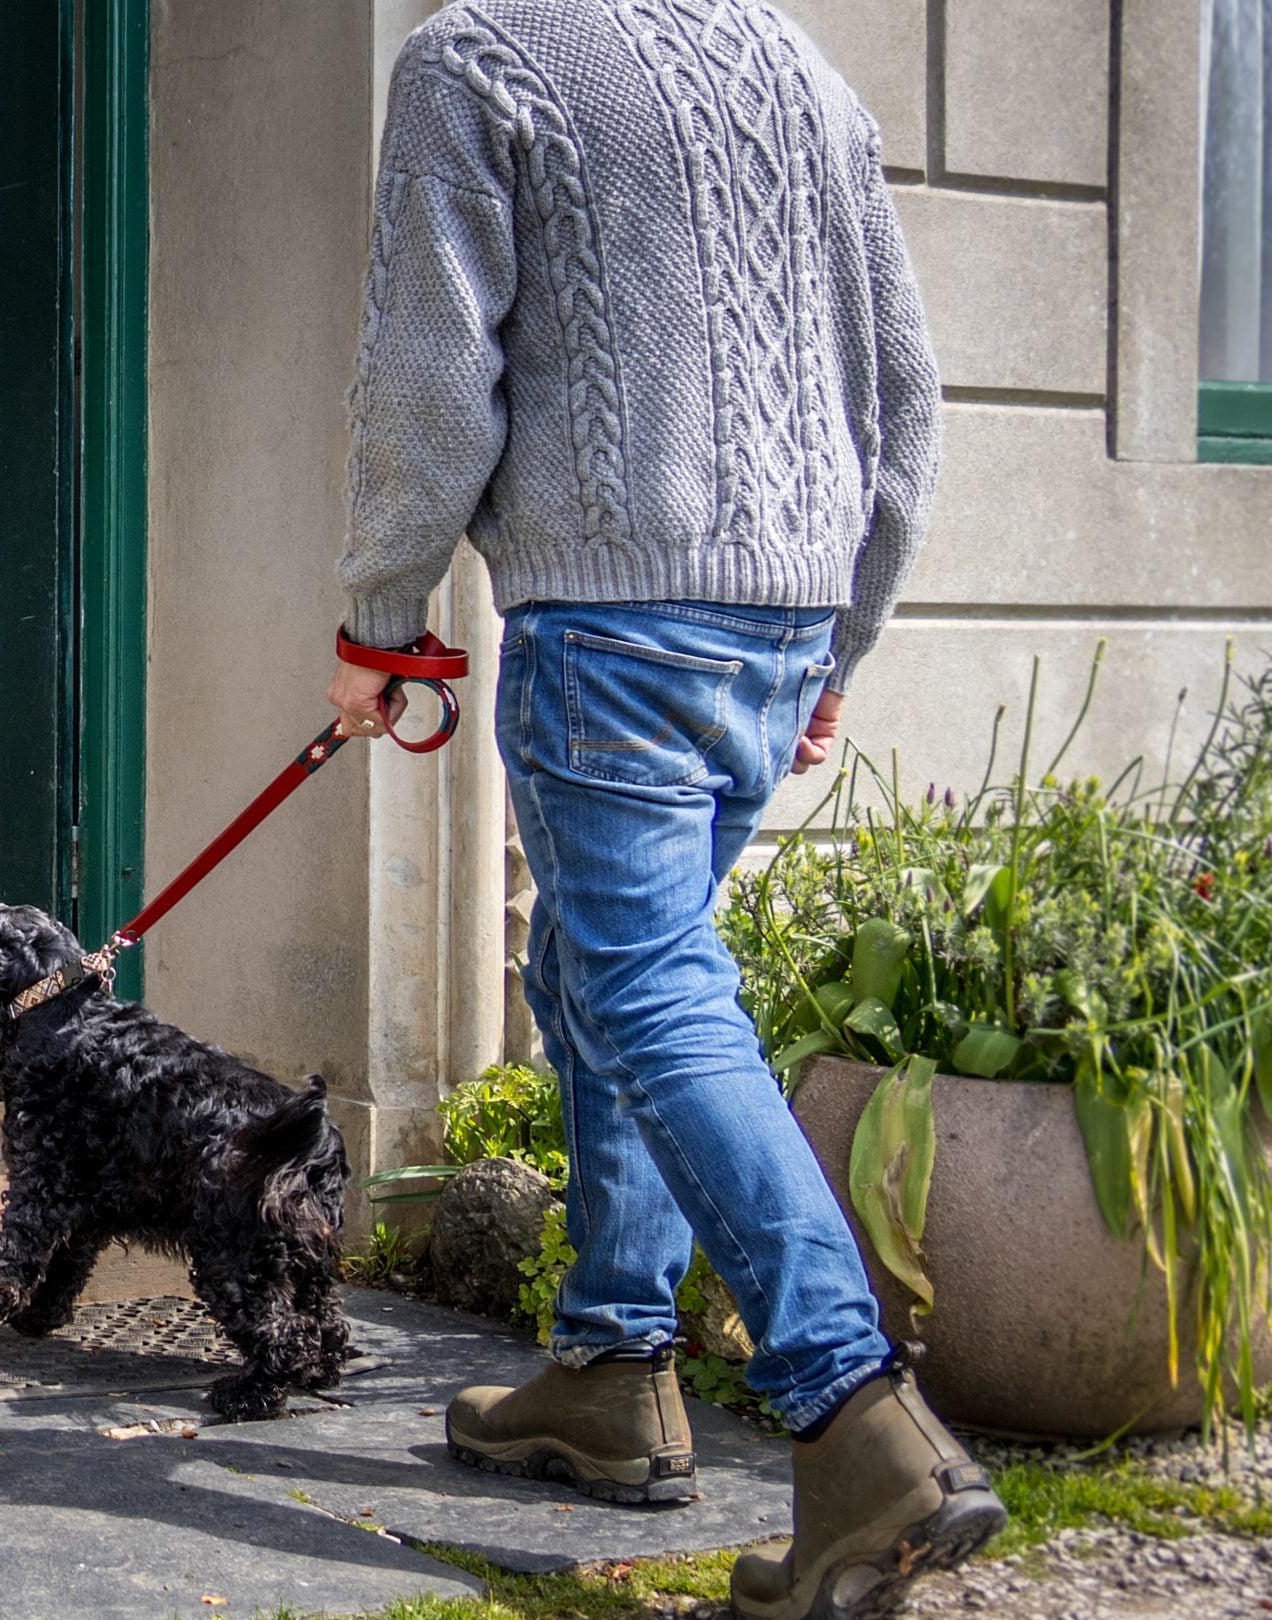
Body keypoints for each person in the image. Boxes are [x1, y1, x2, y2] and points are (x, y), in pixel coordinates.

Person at [329, 5, 1006, 1618]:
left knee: (642, 981)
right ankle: (614, 1366)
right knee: (593, 968)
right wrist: (839, 641)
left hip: (616, 621)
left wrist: (380, 618)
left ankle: (856, 1415)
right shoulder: (804, 73)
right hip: (778, 622)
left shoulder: (480, 57)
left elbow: (430, 379)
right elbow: (909, 400)